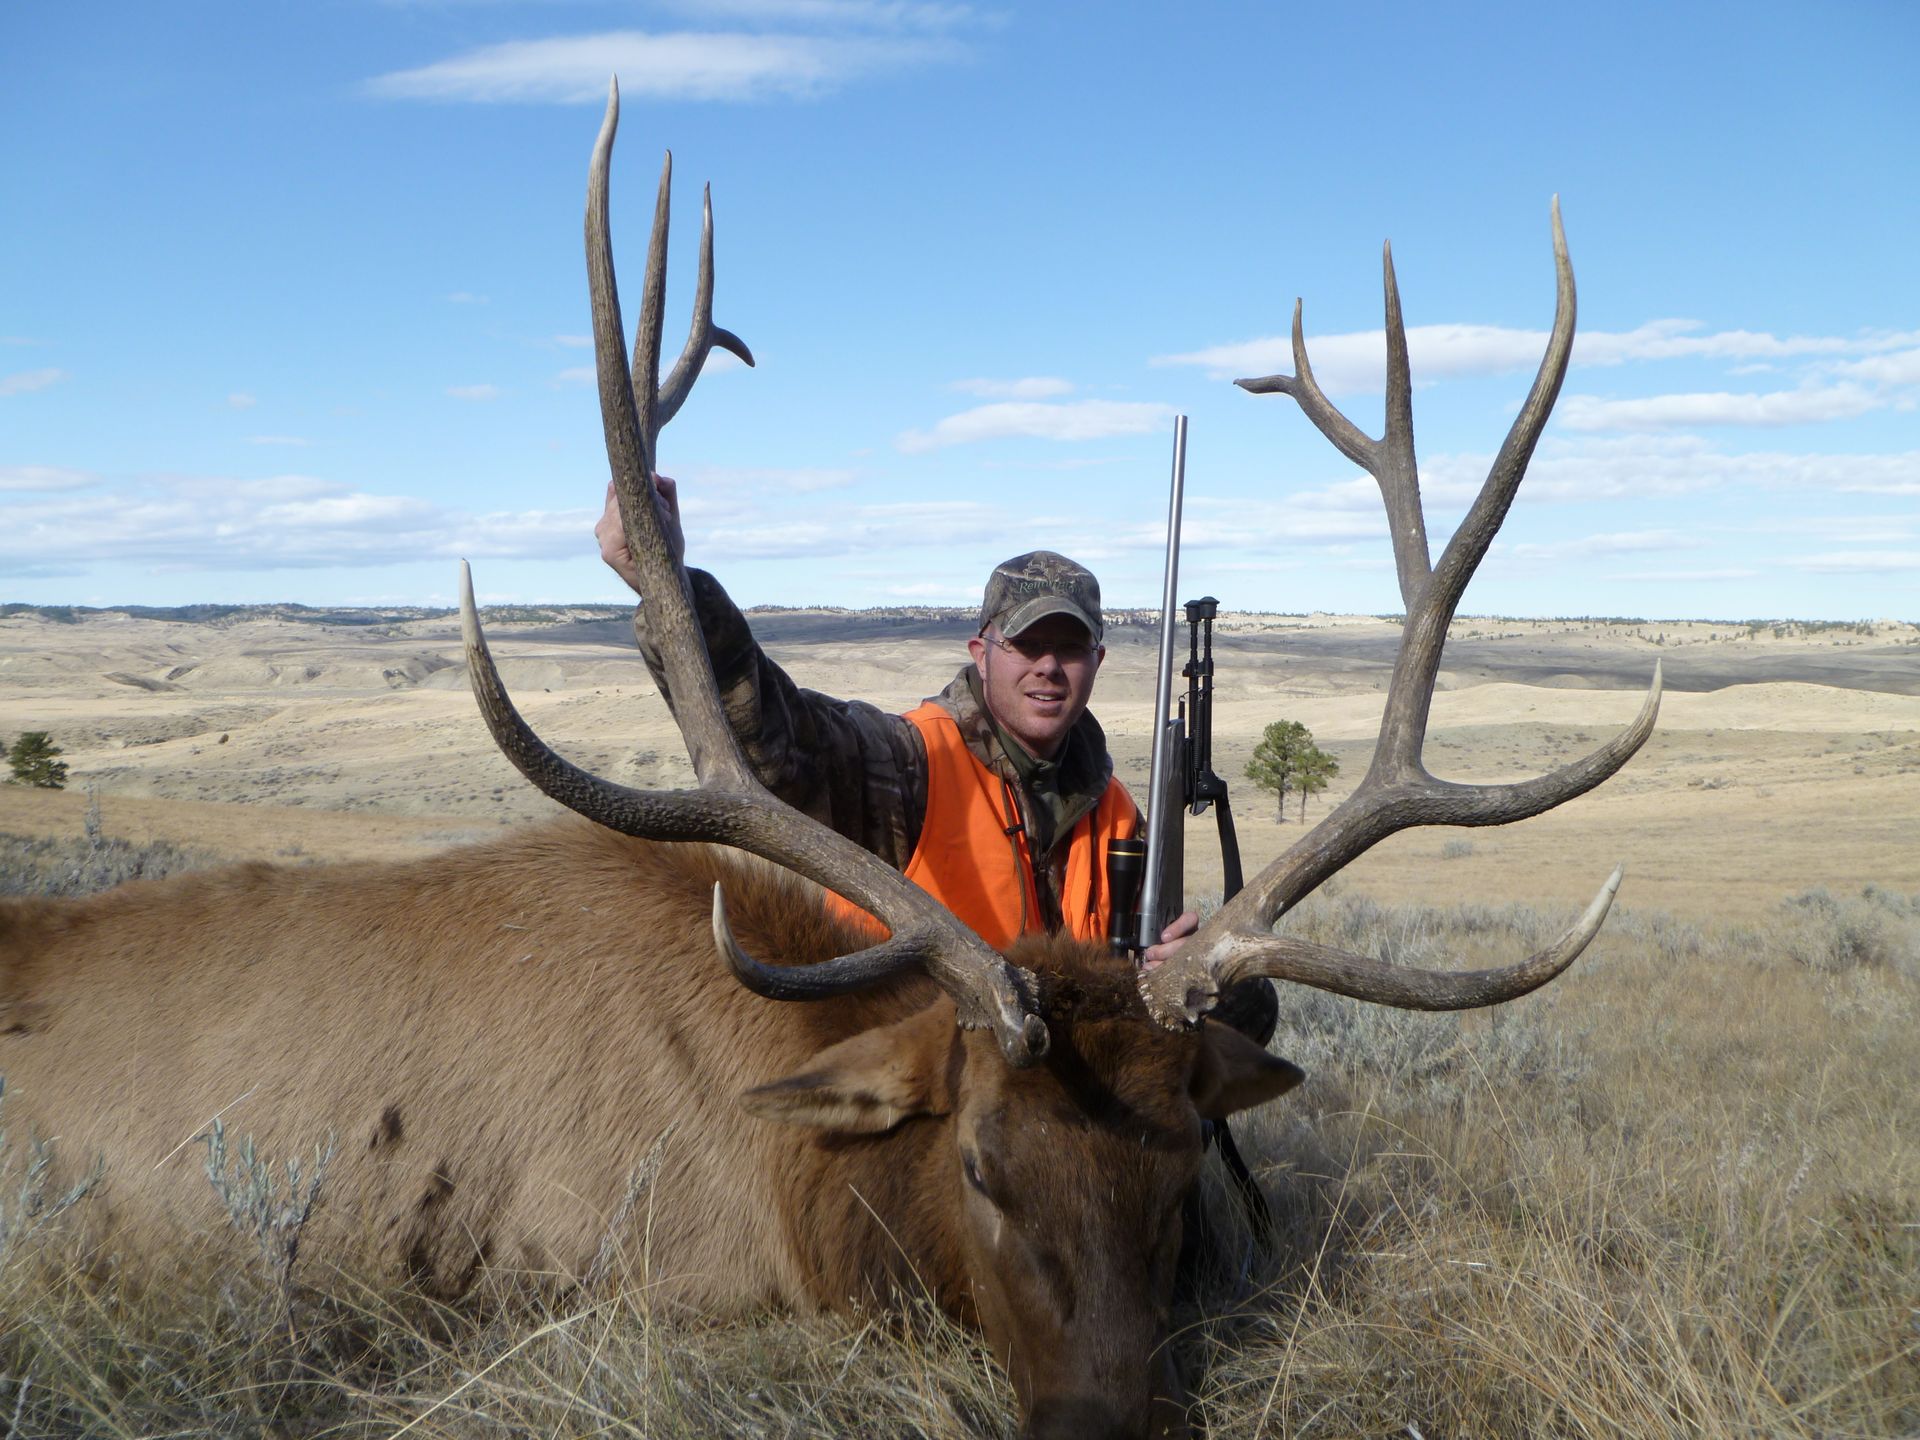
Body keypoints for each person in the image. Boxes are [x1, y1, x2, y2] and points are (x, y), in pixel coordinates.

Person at [596, 475, 1199, 963]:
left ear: (1097, 661)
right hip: (930, 1090)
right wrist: (667, 582)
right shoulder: (909, 766)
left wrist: (1195, 976)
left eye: (1068, 649)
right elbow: (772, 742)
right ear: (980, 655)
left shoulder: (1118, 815)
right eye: (1025, 644)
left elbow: (1204, 997)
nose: (1048, 667)